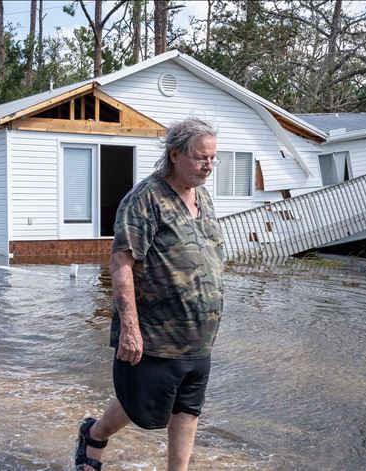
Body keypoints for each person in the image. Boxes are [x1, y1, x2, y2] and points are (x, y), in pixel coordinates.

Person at [74, 118, 225, 471]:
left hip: (199, 337)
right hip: (157, 335)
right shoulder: (146, 199)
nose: (209, 166)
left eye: (213, 159)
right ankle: (95, 434)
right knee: (139, 405)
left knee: (188, 411)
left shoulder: (203, 198)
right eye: (202, 158)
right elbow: (121, 264)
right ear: (175, 154)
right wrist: (130, 328)